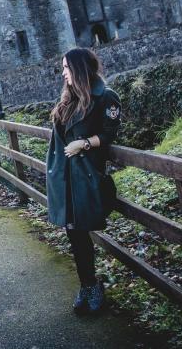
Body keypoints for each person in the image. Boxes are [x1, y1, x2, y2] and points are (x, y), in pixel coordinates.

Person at [45, 48, 122, 314]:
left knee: (80, 231)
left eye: (66, 67)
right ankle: (88, 285)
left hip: (88, 176)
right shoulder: (69, 99)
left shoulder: (105, 97)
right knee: (74, 234)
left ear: (79, 68)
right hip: (67, 177)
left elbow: (110, 134)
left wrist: (84, 143)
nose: (63, 72)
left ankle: (92, 285)